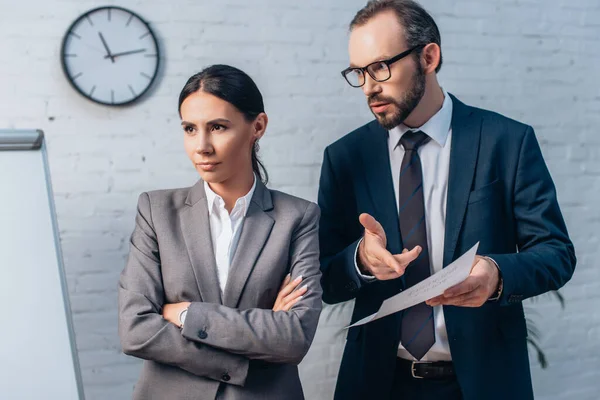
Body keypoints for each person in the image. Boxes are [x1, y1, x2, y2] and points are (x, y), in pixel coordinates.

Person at [318, 1, 576, 399]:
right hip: (377, 383)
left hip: (483, 382)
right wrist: (361, 260)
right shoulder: (346, 158)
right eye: (358, 73)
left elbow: (556, 253)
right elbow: (324, 279)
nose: (369, 86)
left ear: (429, 57)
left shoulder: (506, 142)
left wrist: (495, 273)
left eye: (380, 67)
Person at [118, 64, 322, 400]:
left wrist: (185, 313)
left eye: (217, 127)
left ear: (258, 126)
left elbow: (295, 337)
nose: (202, 146)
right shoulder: (156, 212)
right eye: (189, 129)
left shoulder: (297, 218)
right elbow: (135, 330)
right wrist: (258, 335)